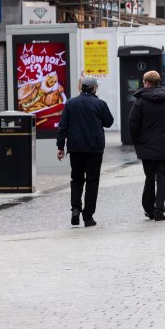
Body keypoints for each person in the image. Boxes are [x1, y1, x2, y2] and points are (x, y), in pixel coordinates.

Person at [56, 77, 113, 226]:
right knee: (92, 182)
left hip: (75, 149)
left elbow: (63, 127)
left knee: (77, 179)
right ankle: (88, 216)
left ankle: (75, 208)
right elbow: (109, 122)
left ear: (81, 88)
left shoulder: (70, 103)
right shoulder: (100, 104)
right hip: (94, 149)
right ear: (94, 88)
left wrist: (60, 147)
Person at [129, 70, 165, 221]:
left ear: (146, 82)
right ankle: (159, 208)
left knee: (149, 177)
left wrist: (138, 140)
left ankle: (148, 208)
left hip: (146, 146)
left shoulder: (139, 101)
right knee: (163, 177)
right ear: (159, 82)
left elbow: (133, 124)